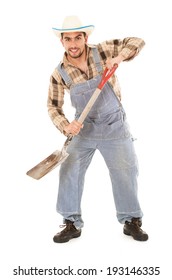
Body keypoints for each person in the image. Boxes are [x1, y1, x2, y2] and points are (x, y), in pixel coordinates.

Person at [47, 15, 148, 243]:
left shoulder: (102, 51)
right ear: (62, 41)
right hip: (84, 130)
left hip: (115, 127)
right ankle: (71, 223)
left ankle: (131, 220)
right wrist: (66, 125)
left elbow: (137, 41)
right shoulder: (59, 72)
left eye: (77, 38)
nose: (73, 44)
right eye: (68, 39)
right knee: (69, 170)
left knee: (125, 171)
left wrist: (120, 56)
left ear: (85, 37)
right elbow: (53, 106)